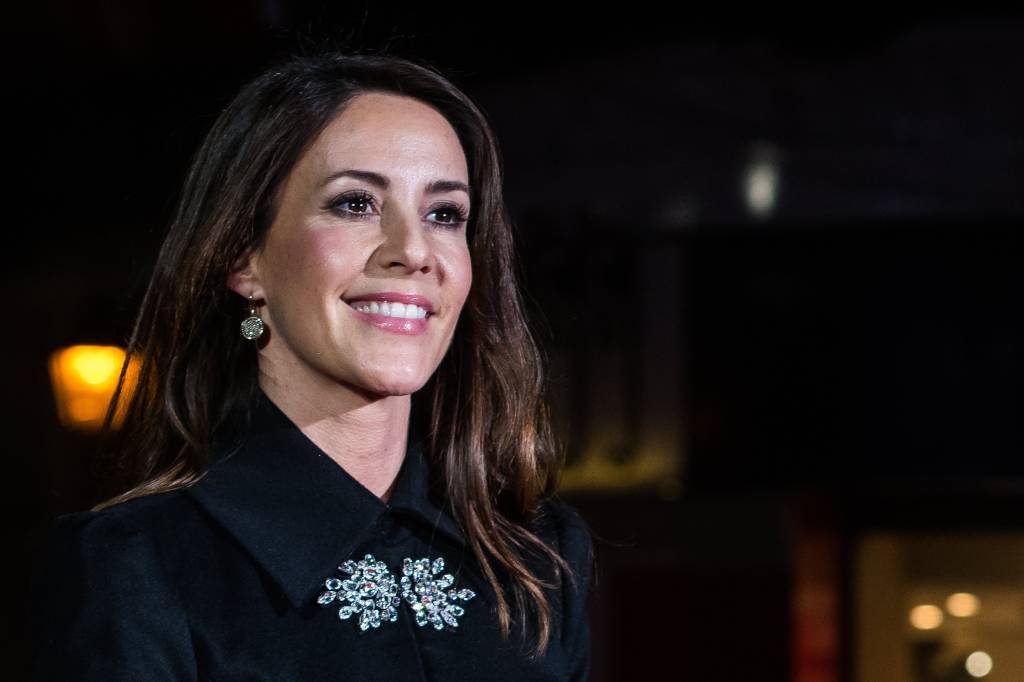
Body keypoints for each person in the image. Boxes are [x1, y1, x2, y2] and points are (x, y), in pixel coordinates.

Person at [30, 48, 595, 681]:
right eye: (355, 203)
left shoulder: (539, 555)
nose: (413, 251)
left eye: (445, 215)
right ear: (244, 259)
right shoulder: (137, 564)